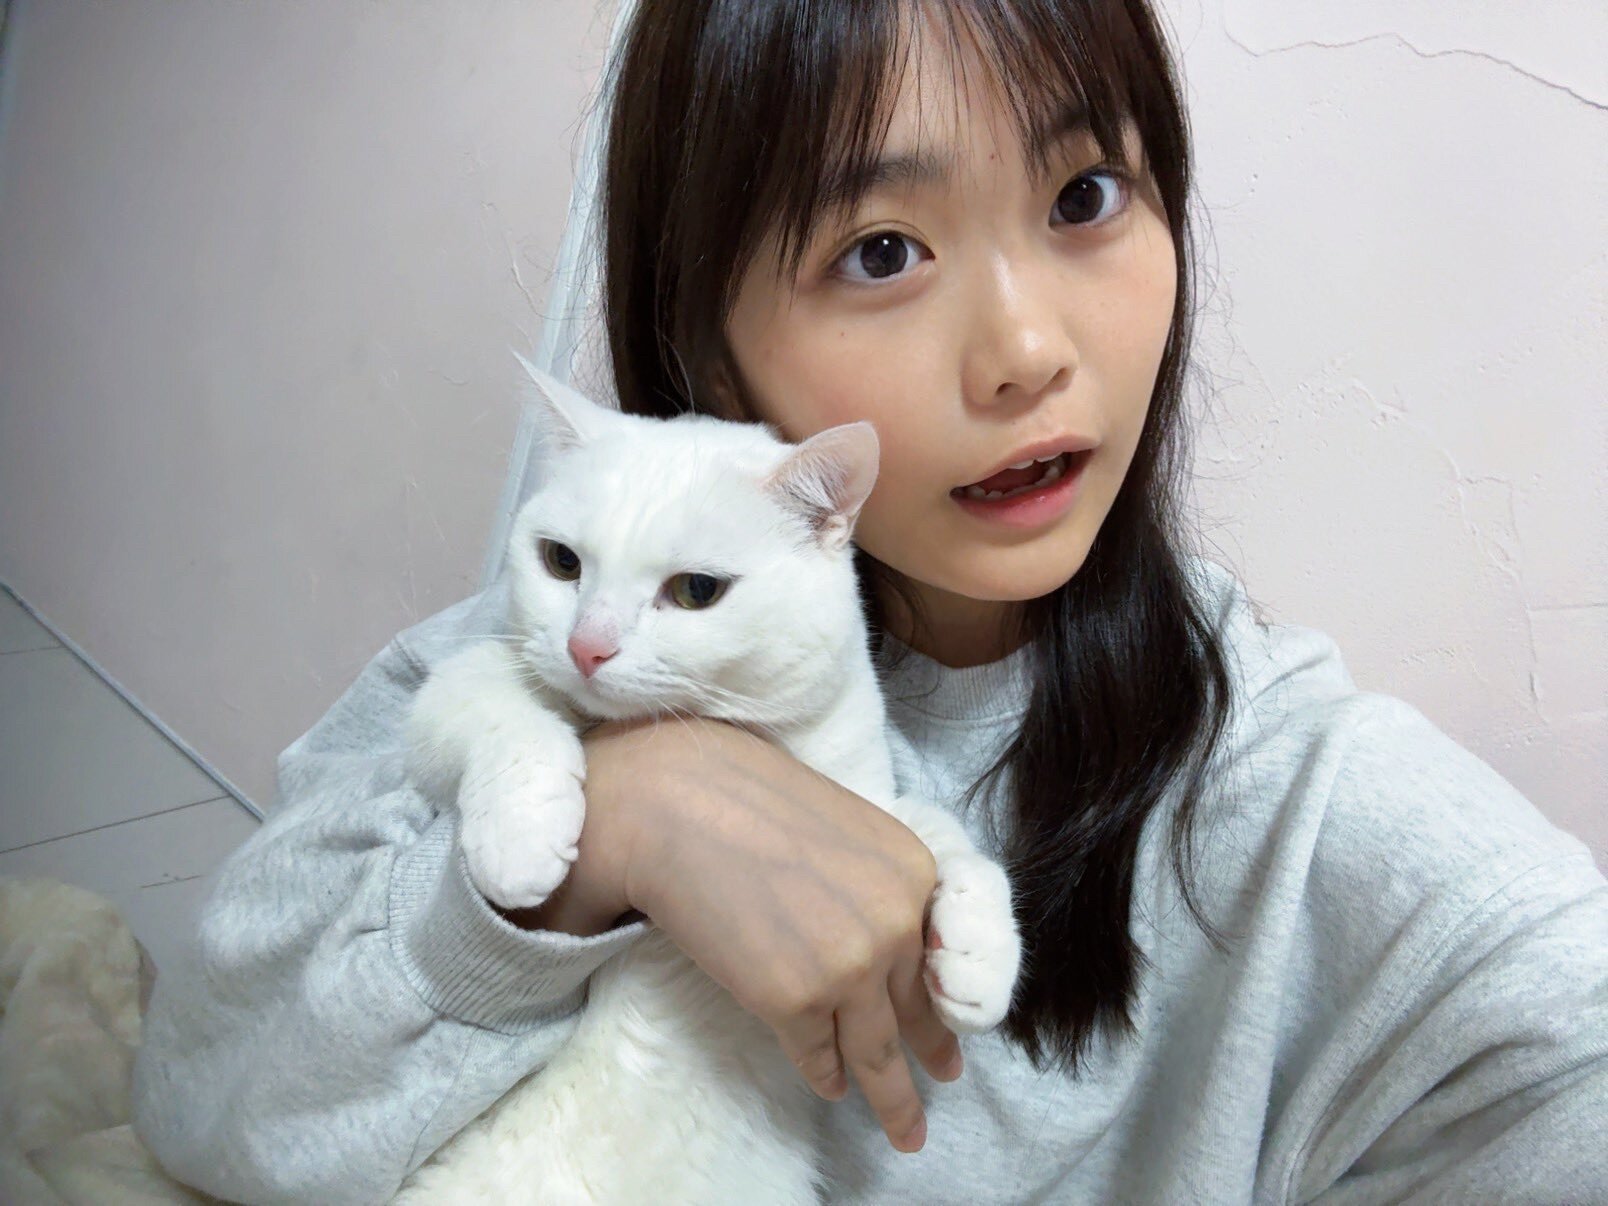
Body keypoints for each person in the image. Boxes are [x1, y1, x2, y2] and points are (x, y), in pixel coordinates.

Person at [132, 1, 1608, 1202]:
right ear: (709, 352)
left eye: (1085, 196)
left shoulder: (1294, 801)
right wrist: (619, 818)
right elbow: (202, 1091)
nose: (1026, 350)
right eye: (881, 251)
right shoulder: (547, 661)